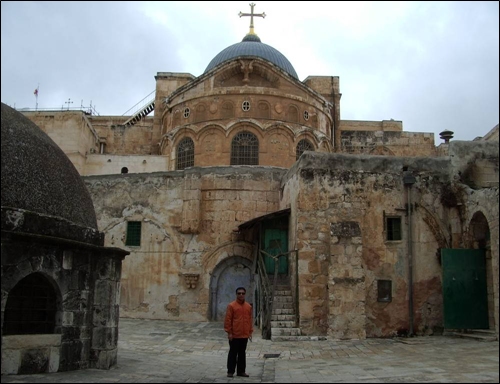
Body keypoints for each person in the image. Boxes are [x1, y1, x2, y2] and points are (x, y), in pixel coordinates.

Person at [224, 286, 253, 378]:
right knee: (233, 353)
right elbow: (228, 320)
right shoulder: (231, 306)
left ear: (245, 294)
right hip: (235, 334)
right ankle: (230, 371)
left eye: (243, 293)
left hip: (244, 335)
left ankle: (241, 371)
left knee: (242, 353)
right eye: (239, 293)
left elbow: (250, 320)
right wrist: (229, 332)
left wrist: (250, 332)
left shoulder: (248, 306)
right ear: (236, 294)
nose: (241, 295)